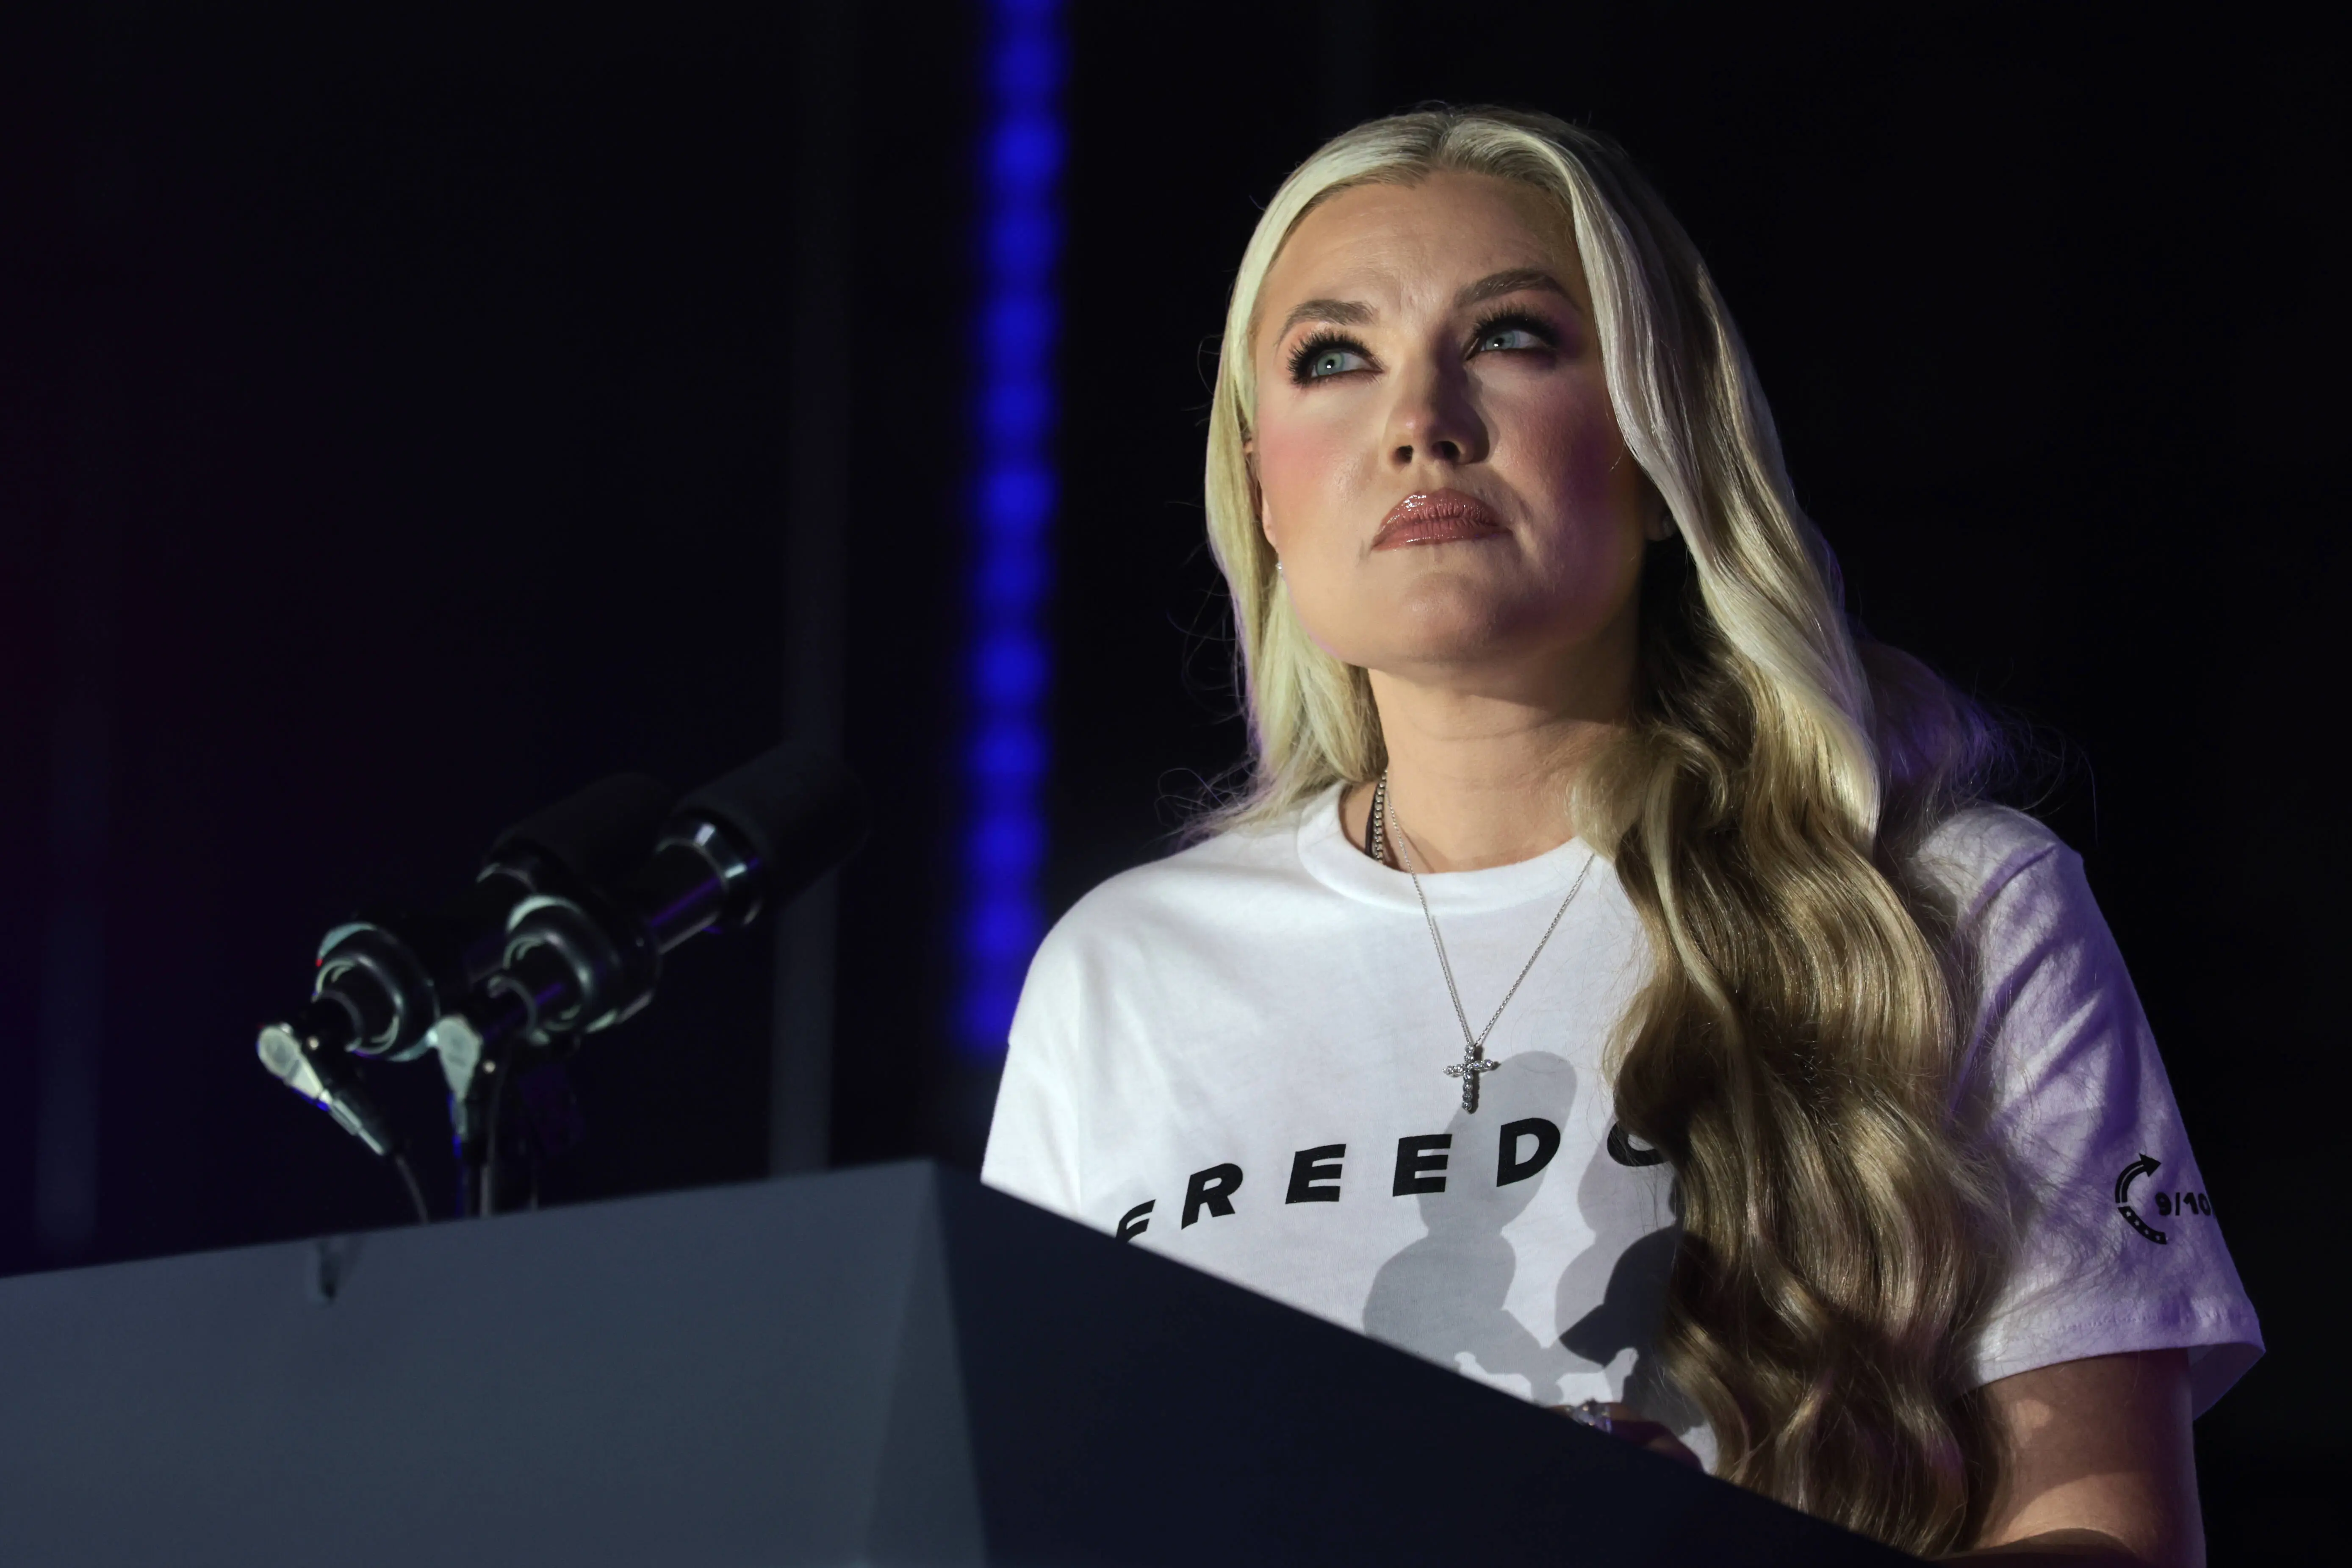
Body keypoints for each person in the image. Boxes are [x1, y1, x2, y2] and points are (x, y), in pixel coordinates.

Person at [981, 107, 2258, 1564]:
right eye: (1333, 358)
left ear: (1658, 449)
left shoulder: (1945, 912)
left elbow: (2111, 1538)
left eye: (1513, 338)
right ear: (1265, 487)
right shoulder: (1127, 971)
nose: (1422, 422)